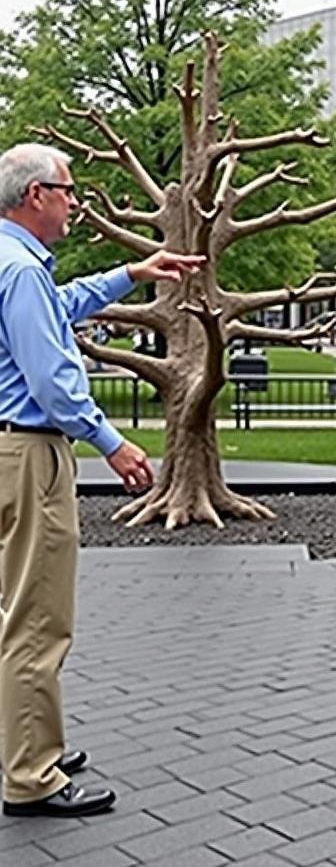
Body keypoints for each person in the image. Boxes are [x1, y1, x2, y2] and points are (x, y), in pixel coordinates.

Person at [0, 143, 203, 817]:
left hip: (9, 453)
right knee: (37, 618)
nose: (75, 201)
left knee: (14, 610)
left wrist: (130, 273)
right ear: (35, 196)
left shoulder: (13, 263)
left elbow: (60, 303)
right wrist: (112, 444)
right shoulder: (20, 271)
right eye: (68, 189)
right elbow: (52, 382)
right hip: (29, 456)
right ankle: (32, 776)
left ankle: (27, 739)